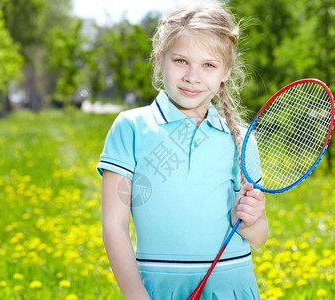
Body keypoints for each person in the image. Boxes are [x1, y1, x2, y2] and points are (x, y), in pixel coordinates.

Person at [97, 1, 268, 299]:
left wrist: (252, 220)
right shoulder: (131, 128)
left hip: (230, 286)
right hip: (157, 288)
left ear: (225, 71)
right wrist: (136, 295)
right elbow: (114, 224)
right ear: (160, 59)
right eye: (181, 61)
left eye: (208, 65)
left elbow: (259, 237)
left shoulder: (241, 138)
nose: (193, 76)